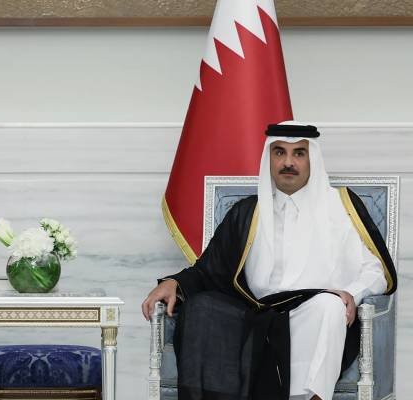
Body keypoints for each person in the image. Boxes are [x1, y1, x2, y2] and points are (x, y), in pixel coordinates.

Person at [141, 122, 396, 400]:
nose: (288, 162)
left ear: (312, 158)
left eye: (299, 153)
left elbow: (377, 271)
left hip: (311, 317)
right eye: (279, 152)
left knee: (330, 306)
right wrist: (175, 283)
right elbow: (210, 269)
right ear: (269, 158)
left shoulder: (341, 206)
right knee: (202, 308)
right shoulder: (248, 212)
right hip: (255, 317)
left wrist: (352, 294)